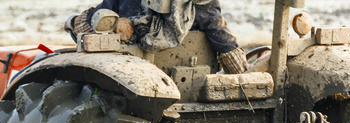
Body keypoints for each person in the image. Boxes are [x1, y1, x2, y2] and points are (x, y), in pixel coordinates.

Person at [66, 0, 248, 74]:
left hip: (128, 71)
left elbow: (94, 22)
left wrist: (73, 23)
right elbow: (217, 30)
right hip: (184, 74)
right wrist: (238, 65)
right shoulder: (201, 5)